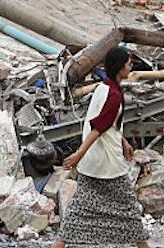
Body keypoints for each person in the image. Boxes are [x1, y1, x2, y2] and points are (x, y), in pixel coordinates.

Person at [53, 46, 149, 248]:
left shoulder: (103, 87)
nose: (131, 67)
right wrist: (79, 154)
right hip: (108, 164)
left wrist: (124, 142)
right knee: (129, 210)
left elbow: (107, 124)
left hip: (94, 162)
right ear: (120, 67)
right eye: (129, 64)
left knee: (79, 210)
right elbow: (98, 128)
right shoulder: (113, 95)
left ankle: (58, 245)